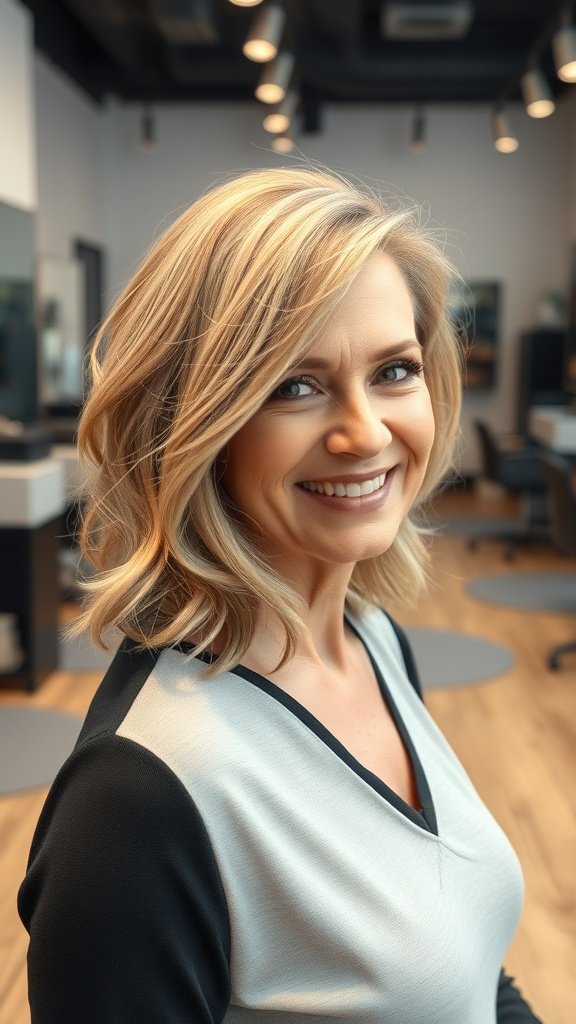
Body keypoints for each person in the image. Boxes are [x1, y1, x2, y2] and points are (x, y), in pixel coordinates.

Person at [18, 167, 542, 1023]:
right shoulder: (137, 806)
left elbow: (472, 972)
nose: (365, 432)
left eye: (394, 371)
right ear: (193, 422)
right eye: (292, 386)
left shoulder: (374, 642)